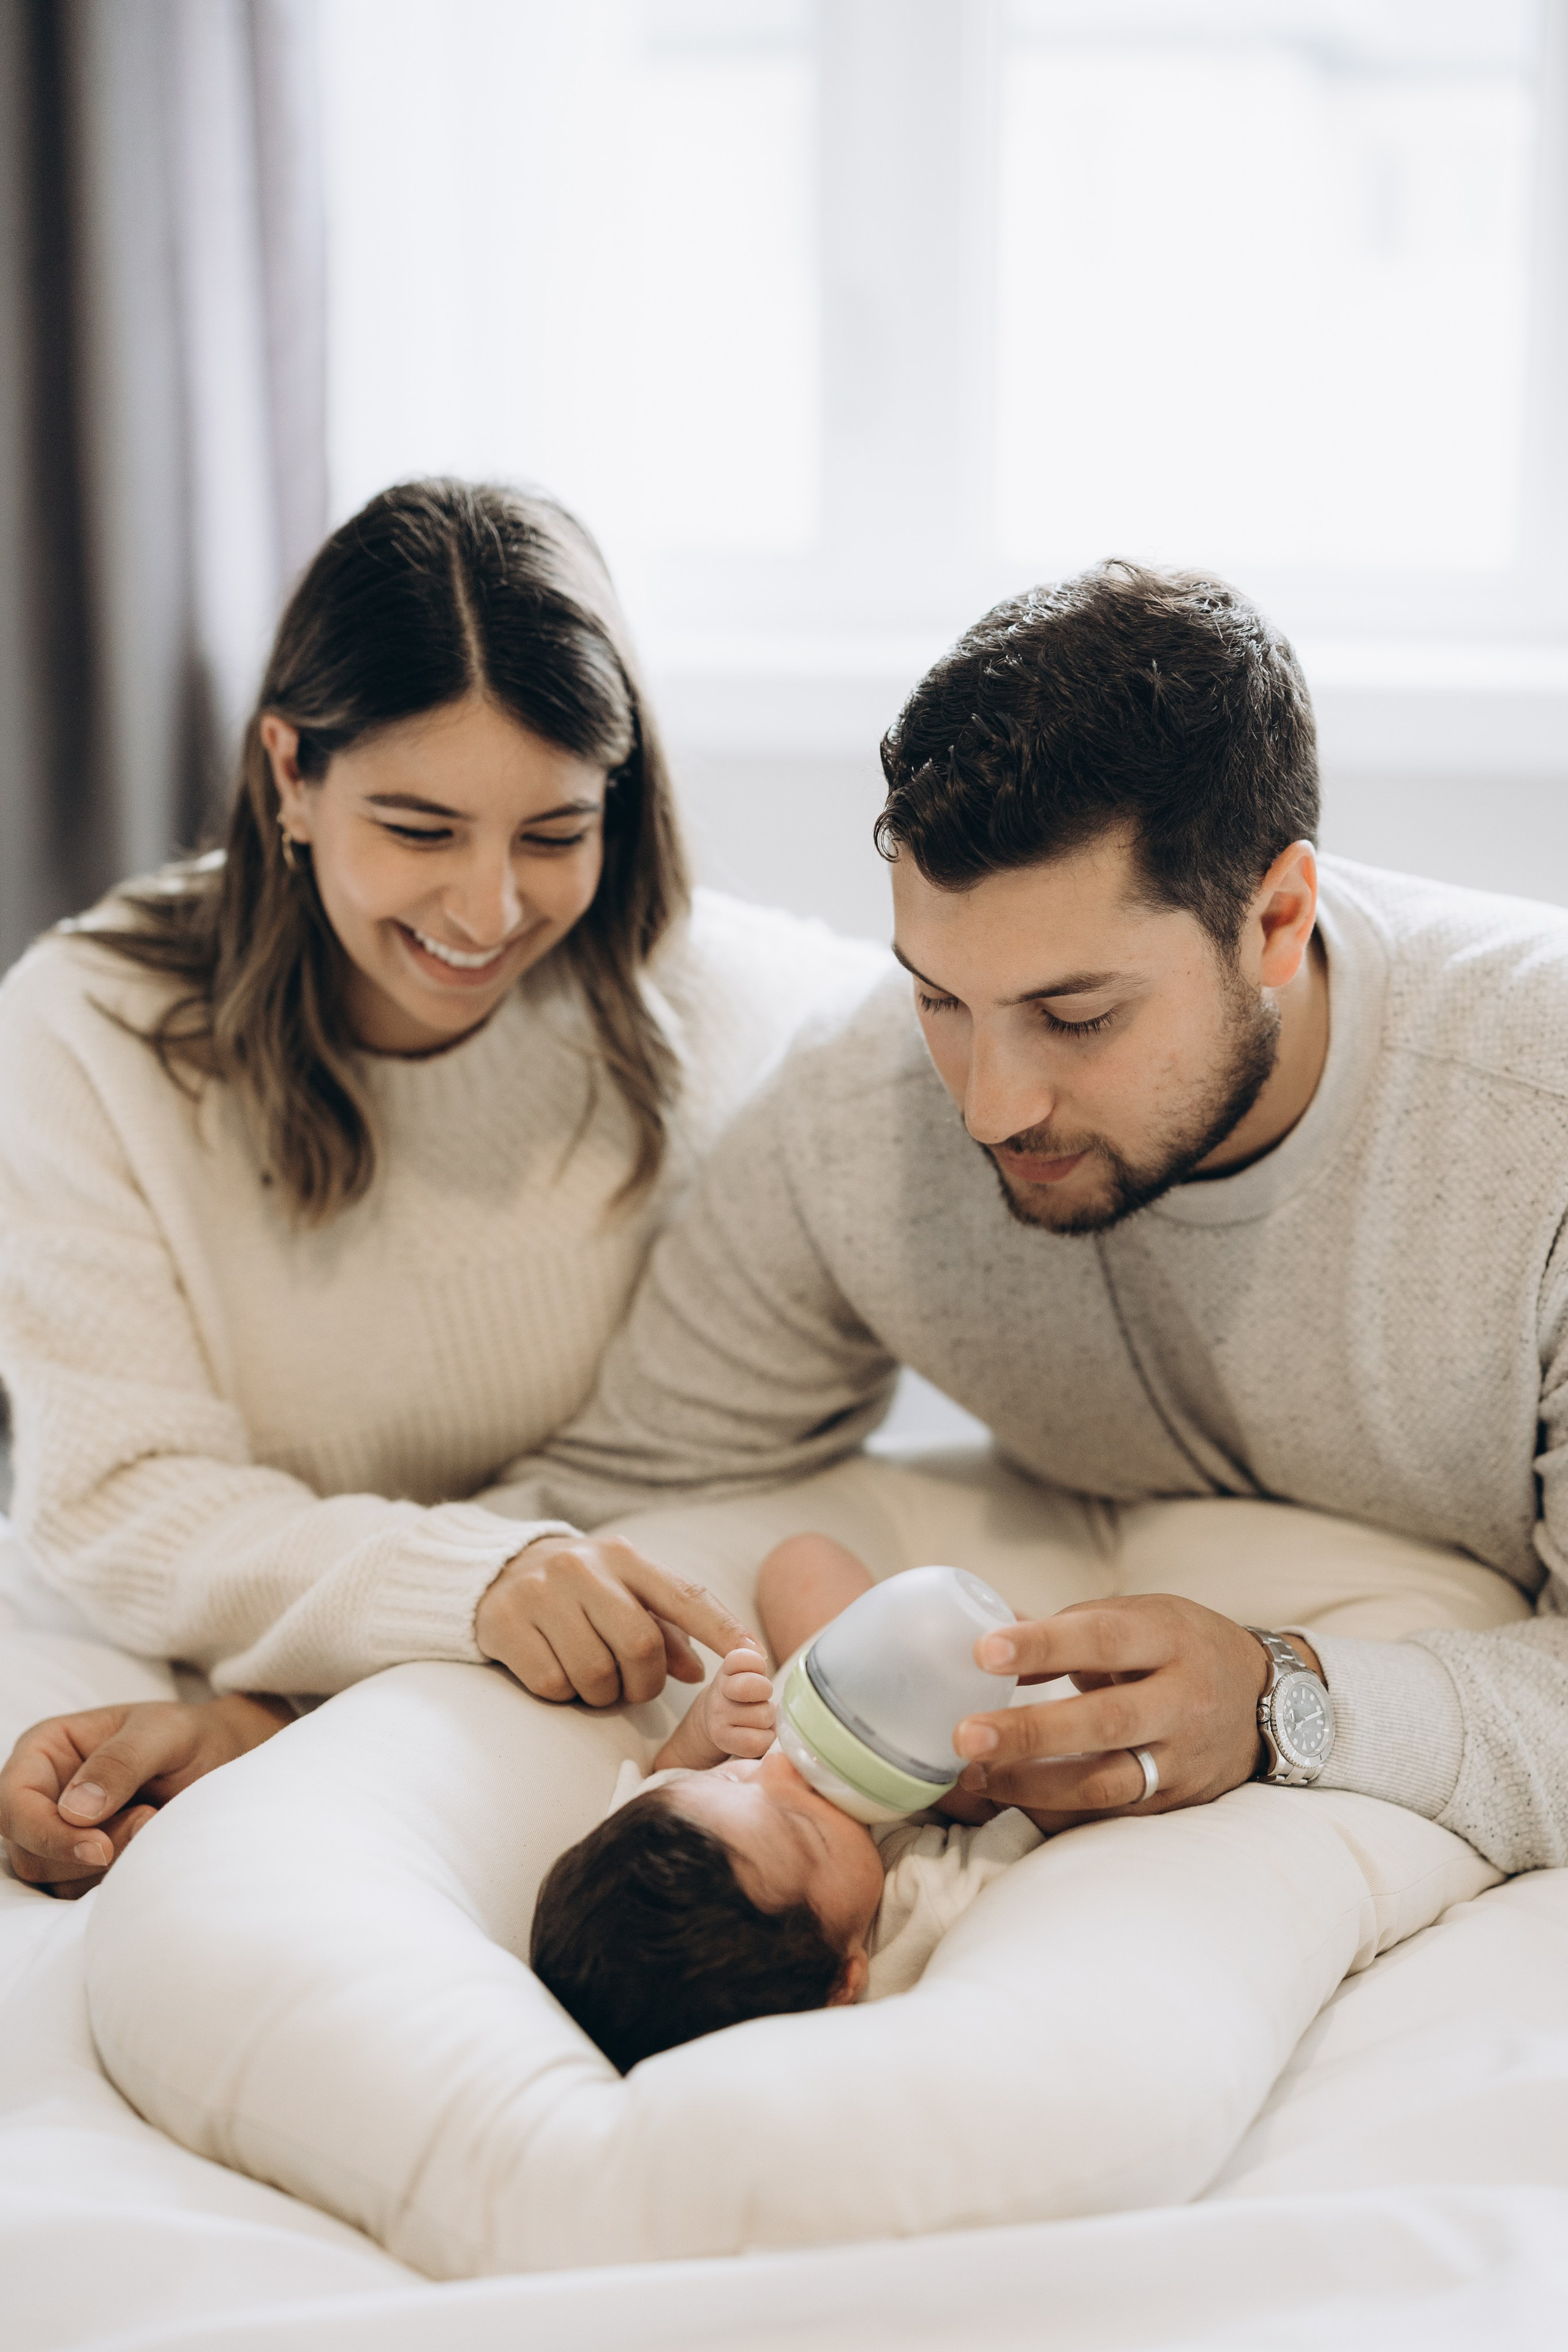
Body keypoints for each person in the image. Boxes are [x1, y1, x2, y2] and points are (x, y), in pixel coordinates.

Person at [475, 559, 1568, 1879]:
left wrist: (1281, 1700)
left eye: (1076, 1017)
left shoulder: (1535, 1116)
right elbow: (628, 1495)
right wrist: (274, 1702)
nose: (991, 1106)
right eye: (938, 997)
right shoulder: (852, 1114)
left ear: (1276, 919)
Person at [0, 478, 881, 1894]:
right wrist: (461, 1584)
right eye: (418, 830)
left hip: (445, 1682)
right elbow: (115, 1503)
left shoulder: (722, 1006)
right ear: (289, 774)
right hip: (159, 1633)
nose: (488, 911)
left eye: (552, 834)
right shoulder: (85, 1031)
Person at [530, 1532, 1044, 2071]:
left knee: (800, 1562)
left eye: (731, 1782)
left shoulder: (662, 1835)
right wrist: (963, 1788)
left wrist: (708, 1730)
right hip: (960, 1745)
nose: (779, 1769)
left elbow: (671, 1771)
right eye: (806, 1827)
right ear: (846, 1978)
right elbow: (1030, 1825)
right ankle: (1006, 1653)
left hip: (828, 1689)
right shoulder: (914, 1908)